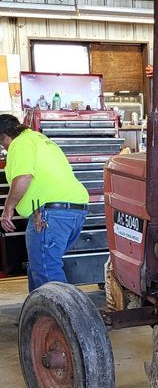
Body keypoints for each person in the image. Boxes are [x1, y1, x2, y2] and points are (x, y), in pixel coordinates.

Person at [0, 113, 89, 290]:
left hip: (49, 214)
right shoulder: (40, 139)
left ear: (5, 136)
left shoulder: (19, 144)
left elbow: (23, 176)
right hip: (75, 211)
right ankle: (39, 315)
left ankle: (62, 316)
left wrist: (8, 209)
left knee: (47, 270)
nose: (3, 147)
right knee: (38, 265)